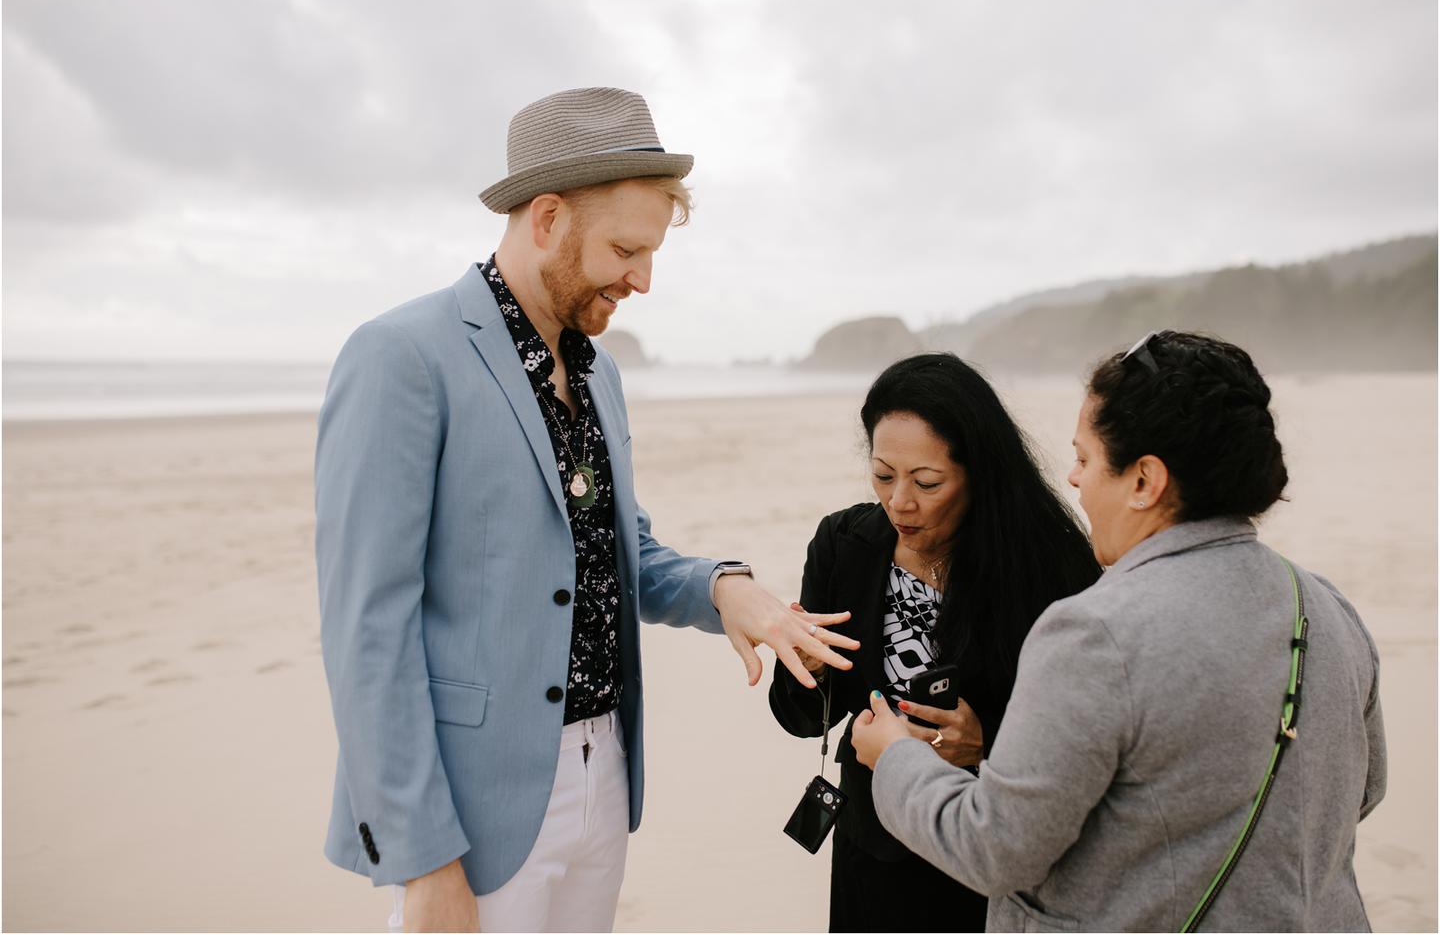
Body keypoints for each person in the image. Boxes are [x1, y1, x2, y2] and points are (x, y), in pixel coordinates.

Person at [314, 87, 859, 934]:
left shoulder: (600, 373)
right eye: (626, 249)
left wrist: (724, 588)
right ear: (546, 218)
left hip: (606, 777)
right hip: (473, 807)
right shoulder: (402, 355)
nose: (643, 279)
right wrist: (422, 857)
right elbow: (366, 627)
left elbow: (617, 549)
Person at [853, 331, 1388, 931]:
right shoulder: (1325, 606)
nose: (1073, 479)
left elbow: (995, 849)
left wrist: (895, 756)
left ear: (1144, 481)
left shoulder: (1094, 632)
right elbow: (1362, 792)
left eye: (1085, 458)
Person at [769, 353, 1101, 932]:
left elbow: (1091, 729)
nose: (900, 501)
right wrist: (807, 669)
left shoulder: (1049, 563)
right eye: (883, 475)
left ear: (979, 471)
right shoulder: (843, 545)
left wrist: (986, 742)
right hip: (874, 843)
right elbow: (800, 718)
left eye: (926, 483)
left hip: (990, 849)